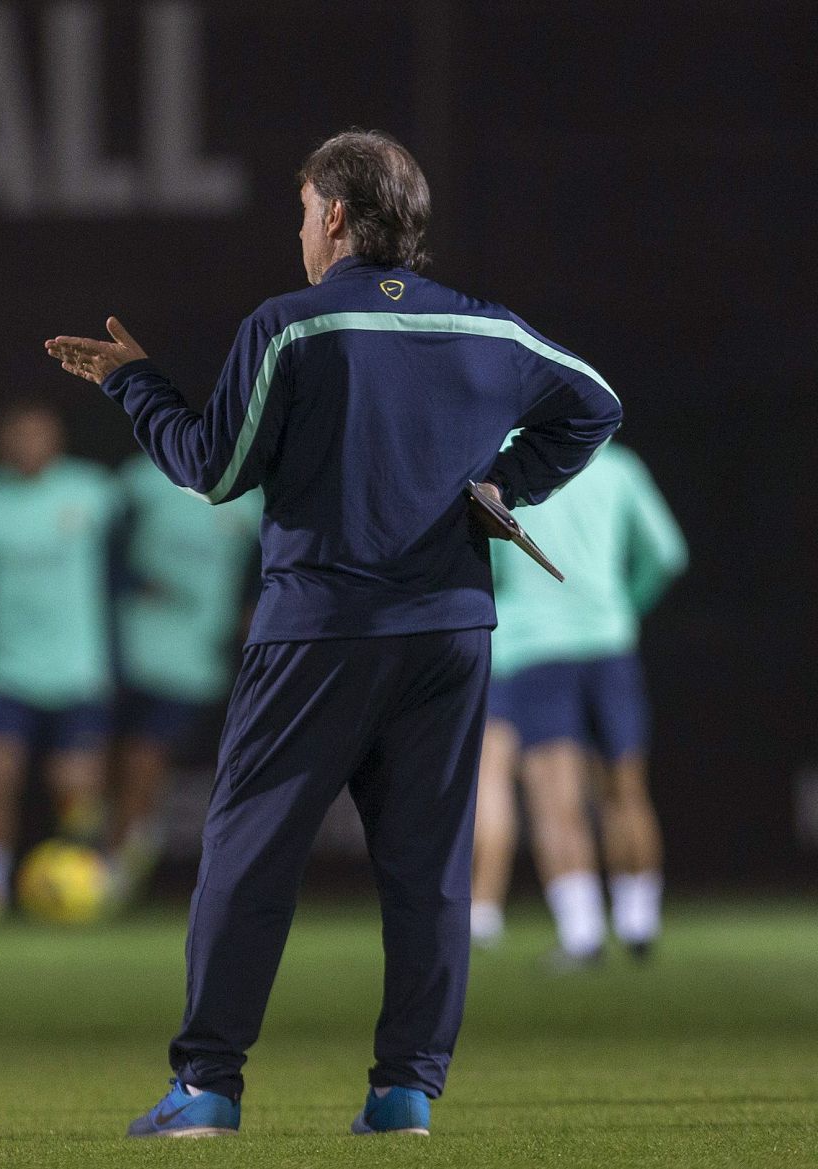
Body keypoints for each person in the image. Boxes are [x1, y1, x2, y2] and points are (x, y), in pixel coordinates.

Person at [45, 129, 622, 1138]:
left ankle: (208, 1085)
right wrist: (502, 484)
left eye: (305, 212)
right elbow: (596, 405)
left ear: (338, 216)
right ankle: (405, 1091)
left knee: (247, 857)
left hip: (318, 633)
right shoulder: (489, 328)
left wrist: (134, 381)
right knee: (426, 870)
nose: (302, 232)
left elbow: (212, 470)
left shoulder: (291, 326)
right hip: (447, 633)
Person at [470, 443, 687, 964]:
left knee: (555, 798)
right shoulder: (618, 467)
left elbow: (484, 561)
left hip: (535, 649)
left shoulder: (504, 465)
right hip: (609, 644)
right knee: (625, 789)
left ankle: (583, 935)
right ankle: (638, 922)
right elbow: (668, 553)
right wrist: (623, 607)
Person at [0, 403, 122, 920]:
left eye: (38, 434)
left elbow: (121, 568)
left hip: (78, 666)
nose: (28, 444)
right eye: (17, 435)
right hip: (2, 666)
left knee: (75, 786)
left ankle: (86, 881)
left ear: (57, 439)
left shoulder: (95, 493)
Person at [109, 454, 263, 904]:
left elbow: (265, 571)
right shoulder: (139, 481)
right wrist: (133, 585)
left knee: (147, 757)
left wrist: (250, 617)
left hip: (197, 656)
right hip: (122, 647)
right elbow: (104, 557)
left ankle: (123, 864)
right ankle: (110, 857)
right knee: (106, 762)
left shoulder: (250, 497)